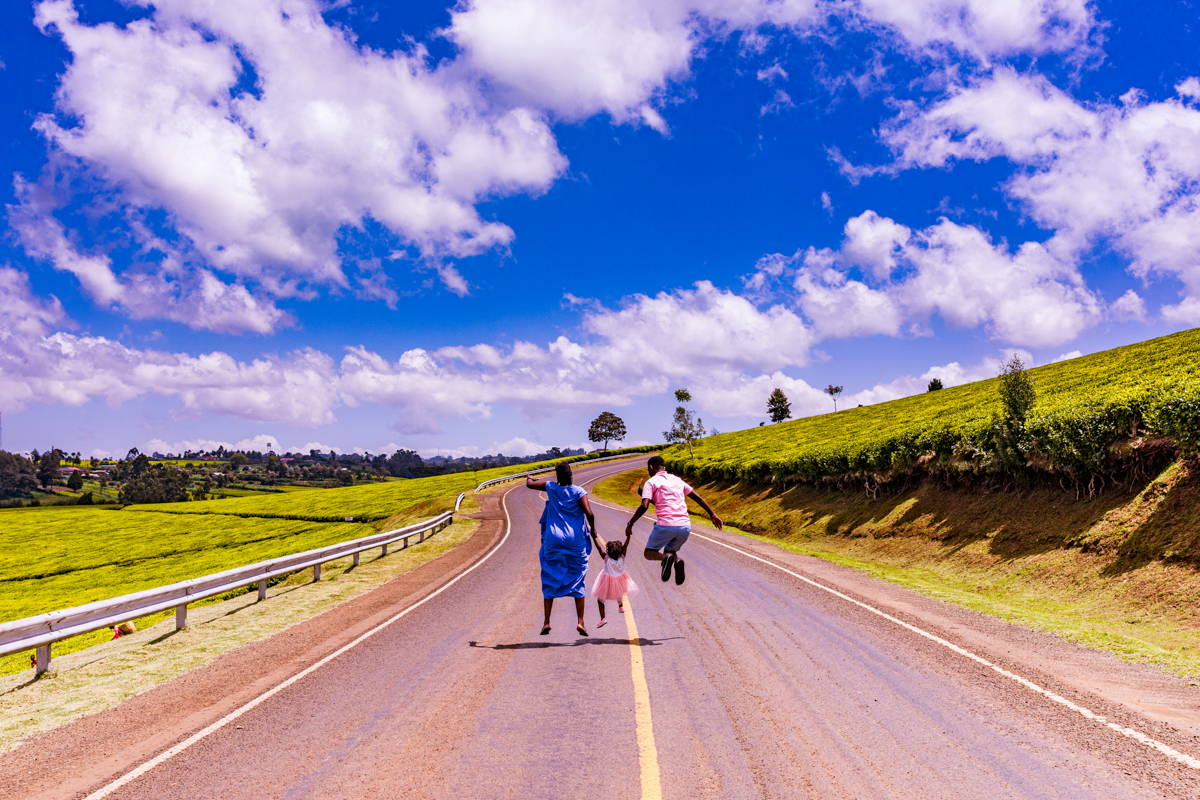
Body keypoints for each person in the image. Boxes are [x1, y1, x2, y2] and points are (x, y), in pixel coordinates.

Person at [626, 455, 722, 586]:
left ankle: (664, 559)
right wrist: (713, 515)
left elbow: (644, 505)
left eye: (649, 470)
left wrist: (630, 523)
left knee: (649, 553)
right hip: (685, 527)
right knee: (670, 551)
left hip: (666, 525)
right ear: (664, 467)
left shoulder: (651, 482)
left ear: (651, 468)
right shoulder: (677, 480)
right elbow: (698, 498)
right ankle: (675, 560)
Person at [526, 462, 596, 636]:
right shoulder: (579, 492)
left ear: (557, 477)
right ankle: (580, 622)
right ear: (571, 476)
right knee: (578, 576)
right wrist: (593, 530)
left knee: (549, 575)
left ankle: (546, 622)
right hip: (575, 542)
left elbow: (529, 484)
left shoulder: (550, 487)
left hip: (553, 540)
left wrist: (530, 477)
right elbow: (590, 513)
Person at [590, 531, 638, 628]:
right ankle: (620, 606)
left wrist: (594, 538)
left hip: (607, 581)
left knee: (600, 599)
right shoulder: (622, 557)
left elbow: (599, 548)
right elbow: (625, 546)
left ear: (609, 551)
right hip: (620, 580)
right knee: (619, 591)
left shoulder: (607, 558)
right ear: (620, 551)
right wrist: (628, 536)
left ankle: (603, 618)